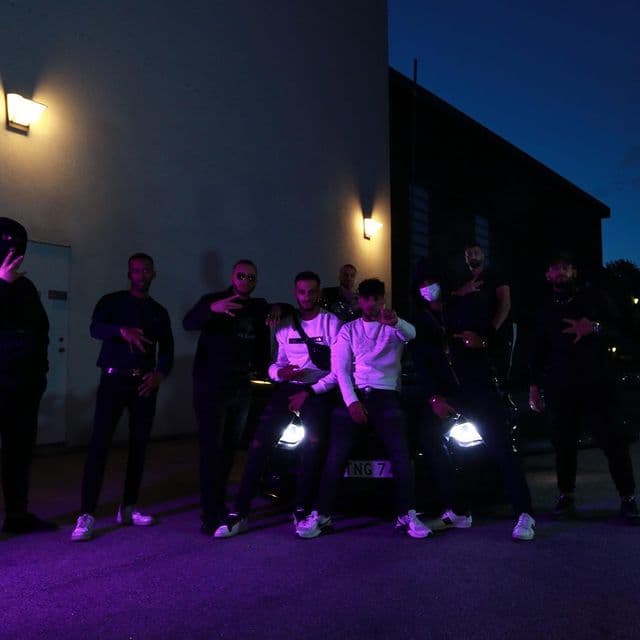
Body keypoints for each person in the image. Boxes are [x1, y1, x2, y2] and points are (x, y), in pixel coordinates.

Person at [297, 278, 432, 539]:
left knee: (402, 456)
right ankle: (322, 515)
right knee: (335, 455)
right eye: (366, 298)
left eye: (376, 298)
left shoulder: (393, 326)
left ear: (383, 299)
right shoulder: (348, 330)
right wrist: (352, 402)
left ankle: (407, 514)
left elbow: (412, 334)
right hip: (356, 393)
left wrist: (396, 322)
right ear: (359, 300)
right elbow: (341, 370)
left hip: (386, 395)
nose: (371, 304)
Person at [412, 258, 536, 541]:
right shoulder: (420, 319)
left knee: (501, 448)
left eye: (431, 282)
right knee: (429, 439)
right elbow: (421, 363)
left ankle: (524, 514)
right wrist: (434, 397)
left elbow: (495, 339)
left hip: (479, 389)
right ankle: (458, 509)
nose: (427, 288)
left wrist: (484, 342)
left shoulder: (464, 306)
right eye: (422, 284)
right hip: (448, 393)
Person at [214, 271, 341, 538]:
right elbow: (275, 363)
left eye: (312, 291)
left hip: (317, 391)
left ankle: (302, 510)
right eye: (302, 291)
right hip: (287, 388)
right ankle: (240, 513)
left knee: (312, 447)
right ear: (295, 293)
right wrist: (280, 373)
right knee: (259, 445)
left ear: (319, 293)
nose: (307, 296)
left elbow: (339, 371)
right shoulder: (285, 324)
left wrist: (310, 391)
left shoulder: (331, 323)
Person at [529, 252, 639, 524]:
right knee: (563, 445)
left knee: (614, 442)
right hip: (560, 387)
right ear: (548, 275)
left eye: (566, 267)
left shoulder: (594, 298)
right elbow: (536, 351)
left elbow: (624, 328)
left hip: (598, 384)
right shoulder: (544, 310)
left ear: (574, 272)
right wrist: (534, 386)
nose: (561, 271)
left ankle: (628, 499)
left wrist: (596, 327)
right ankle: (566, 496)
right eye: (556, 267)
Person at [71, 253, 174, 541]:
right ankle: (87, 514)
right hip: (113, 380)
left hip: (143, 384)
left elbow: (167, 350)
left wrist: (159, 375)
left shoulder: (158, 312)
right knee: (99, 445)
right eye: (136, 271)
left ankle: (128, 507)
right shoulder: (111, 302)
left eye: (146, 270)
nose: (141, 275)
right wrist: (121, 331)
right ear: (129, 274)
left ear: (153, 274)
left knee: (139, 446)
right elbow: (94, 328)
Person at [183, 259, 288, 534]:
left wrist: (278, 308)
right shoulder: (213, 300)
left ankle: (219, 504)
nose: (245, 281)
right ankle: (210, 513)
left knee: (230, 449)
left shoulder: (258, 306)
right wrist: (212, 309)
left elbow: (288, 309)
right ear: (232, 276)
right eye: (241, 276)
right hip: (210, 387)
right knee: (211, 449)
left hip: (241, 388)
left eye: (251, 277)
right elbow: (188, 322)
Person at [0, 217, 58, 535]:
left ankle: (17, 515)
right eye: (8, 247)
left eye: (19, 248)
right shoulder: (10, 285)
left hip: (24, 387)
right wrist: (3, 285)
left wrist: (40, 375)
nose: (15, 254)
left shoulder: (25, 287)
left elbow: (40, 331)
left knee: (19, 454)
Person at [453, 243, 514, 391]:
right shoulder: (462, 280)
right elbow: (451, 302)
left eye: (476, 252)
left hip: (496, 335)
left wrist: (491, 331)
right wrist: (462, 292)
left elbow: (505, 304)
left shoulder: (495, 275)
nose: (472, 256)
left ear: (483, 255)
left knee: (499, 376)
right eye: (469, 254)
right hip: (471, 337)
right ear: (465, 259)